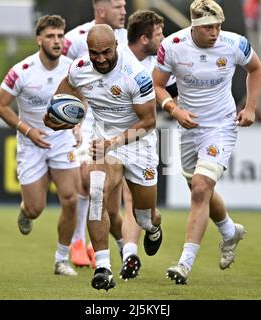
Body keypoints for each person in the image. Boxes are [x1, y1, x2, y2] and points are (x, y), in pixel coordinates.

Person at [44, 24, 163, 291]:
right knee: (96, 192)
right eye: (94, 53)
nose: (100, 58)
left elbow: (149, 122)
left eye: (106, 52)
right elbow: (64, 92)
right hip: (103, 142)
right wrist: (53, 115)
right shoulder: (80, 67)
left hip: (138, 143)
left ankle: (154, 227)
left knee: (144, 217)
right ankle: (103, 268)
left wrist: (116, 141)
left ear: (116, 47)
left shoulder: (137, 76)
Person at [153, 0, 261, 284]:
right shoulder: (173, 46)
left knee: (200, 189)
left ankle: (184, 264)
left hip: (222, 126)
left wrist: (250, 107)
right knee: (198, 188)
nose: (214, 32)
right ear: (193, 25)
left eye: (217, 26)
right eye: (208, 28)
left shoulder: (234, 43)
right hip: (188, 128)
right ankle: (229, 231)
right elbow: (157, 84)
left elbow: (255, 69)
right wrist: (175, 110)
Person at [0, 15, 81, 276]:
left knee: (71, 198)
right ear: (39, 39)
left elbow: (81, 100)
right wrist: (28, 130)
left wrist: (76, 125)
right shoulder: (22, 71)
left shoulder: (72, 68)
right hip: (31, 143)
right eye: (51, 36)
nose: (57, 41)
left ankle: (61, 259)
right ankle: (25, 212)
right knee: (35, 208)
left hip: (62, 140)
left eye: (60, 36)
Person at [63, 0, 128, 269]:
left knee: (109, 186)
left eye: (125, 6)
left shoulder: (128, 39)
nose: (124, 11)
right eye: (118, 6)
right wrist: (72, 119)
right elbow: (65, 80)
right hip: (85, 121)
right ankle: (78, 241)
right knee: (85, 180)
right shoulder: (75, 39)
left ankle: (97, 243)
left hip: (117, 125)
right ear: (100, 10)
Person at [119, 9, 178, 281]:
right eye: (158, 34)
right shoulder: (114, 57)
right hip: (110, 138)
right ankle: (128, 255)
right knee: (104, 193)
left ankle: (153, 227)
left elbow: (173, 95)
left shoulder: (161, 64)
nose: (163, 38)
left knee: (143, 210)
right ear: (144, 39)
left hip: (142, 140)